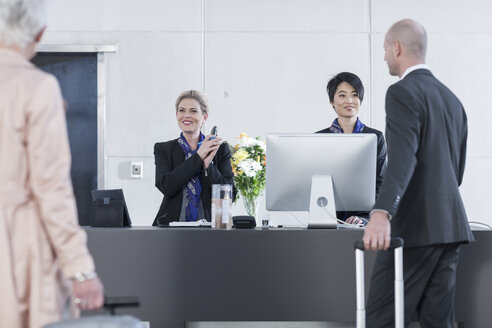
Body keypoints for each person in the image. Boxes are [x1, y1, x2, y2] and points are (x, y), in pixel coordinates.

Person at [363, 19, 474, 327]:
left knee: (381, 319)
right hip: (450, 227)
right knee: (437, 322)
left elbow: (402, 158)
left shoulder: (401, 93)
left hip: (415, 230)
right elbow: (457, 172)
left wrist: (381, 212)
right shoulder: (453, 100)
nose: (384, 56)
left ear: (397, 47)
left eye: (385, 48)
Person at [0, 1, 104, 327]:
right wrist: (81, 270)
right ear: (40, 32)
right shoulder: (36, 87)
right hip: (18, 248)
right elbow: (51, 187)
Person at [153, 90, 234, 225]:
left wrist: (209, 165)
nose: (186, 115)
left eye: (193, 111)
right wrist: (198, 157)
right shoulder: (163, 149)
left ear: (205, 117)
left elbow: (228, 197)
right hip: (172, 226)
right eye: (182, 110)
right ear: (176, 114)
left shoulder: (220, 150)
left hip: (212, 226)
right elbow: (167, 187)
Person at [317, 72, 387, 225]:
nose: (349, 101)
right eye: (342, 95)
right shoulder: (319, 139)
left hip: (365, 218)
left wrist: (364, 217)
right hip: (326, 216)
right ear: (332, 101)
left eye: (355, 95)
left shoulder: (375, 137)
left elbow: (380, 184)